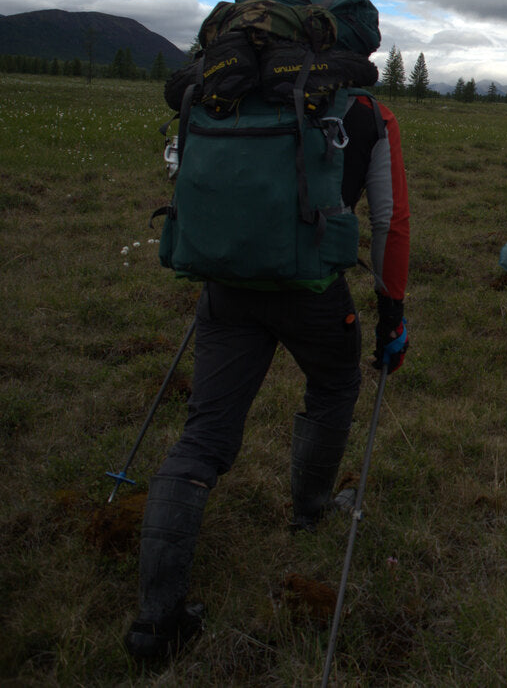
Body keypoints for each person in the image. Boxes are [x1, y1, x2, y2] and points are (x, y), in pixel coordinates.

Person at [124, 90, 411, 664]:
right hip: (314, 291)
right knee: (334, 384)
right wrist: (392, 315)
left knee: (204, 435)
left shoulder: (228, 90)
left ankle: (155, 622)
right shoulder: (368, 112)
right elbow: (390, 219)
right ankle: (310, 510)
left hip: (227, 285)